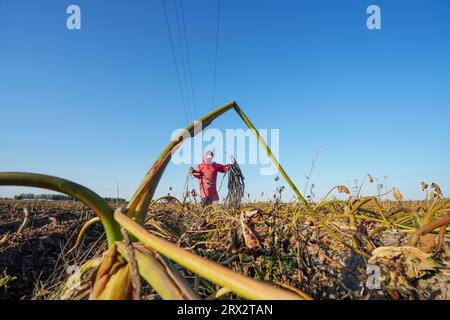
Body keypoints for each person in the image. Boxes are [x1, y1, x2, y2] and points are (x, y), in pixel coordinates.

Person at [190, 150, 231, 221]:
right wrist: (193, 172)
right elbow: (198, 175)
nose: (209, 159)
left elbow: (223, 169)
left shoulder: (215, 165)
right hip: (204, 190)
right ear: (204, 157)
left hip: (212, 190)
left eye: (210, 157)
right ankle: (200, 220)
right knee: (204, 204)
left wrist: (230, 165)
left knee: (209, 207)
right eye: (207, 157)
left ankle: (207, 221)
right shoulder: (201, 166)